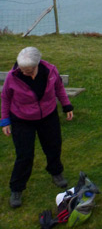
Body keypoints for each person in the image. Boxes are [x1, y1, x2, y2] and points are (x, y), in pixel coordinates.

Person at [1, 47, 74, 208]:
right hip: (21, 119)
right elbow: (5, 97)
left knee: (53, 146)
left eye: (28, 70)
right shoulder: (13, 76)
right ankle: (17, 188)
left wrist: (67, 105)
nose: (24, 72)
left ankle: (56, 172)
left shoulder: (50, 71)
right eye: (22, 69)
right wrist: (5, 120)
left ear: (37, 65)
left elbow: (59, 88)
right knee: (24, 155)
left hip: (48, 116)